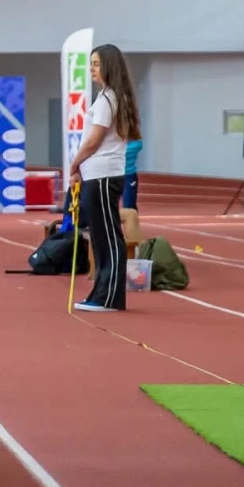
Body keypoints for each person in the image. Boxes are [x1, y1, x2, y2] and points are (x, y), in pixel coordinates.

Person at [68, 43, 141, 313]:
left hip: (103, 174)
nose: (91, 70)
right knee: (100, 236)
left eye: (96, 64)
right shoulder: (108, 97)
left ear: (109, 66)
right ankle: (101, 293)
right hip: (98, 174)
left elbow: (94, 141)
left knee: (108, 236)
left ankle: (110, 297)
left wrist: (75, 163)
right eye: (91, 64)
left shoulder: (109, 99)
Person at [122, 137, 142, 210]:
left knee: (129, 206)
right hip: (111, 175)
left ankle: (131, 220)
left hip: (129, 175)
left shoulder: (136, 143)